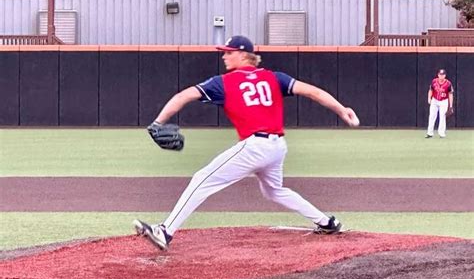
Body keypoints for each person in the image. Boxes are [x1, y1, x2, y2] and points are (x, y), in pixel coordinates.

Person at [133, 35, 360, 251]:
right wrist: (342, 109)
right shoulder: (275, 77)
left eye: (228, 53)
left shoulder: (223, 82)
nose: (224, 56)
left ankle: (165, 231)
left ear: (243, 55)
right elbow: (312, 92)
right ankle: (326, 222)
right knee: (274, 191)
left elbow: (183, 96)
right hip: (277, 146)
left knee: (202, 179)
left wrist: (157, 122)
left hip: (255, 147)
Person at [426, 69, 454, 138]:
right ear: (438, 75)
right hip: (434, 100)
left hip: (444, 101)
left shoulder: (448, 83)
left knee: (442, 116)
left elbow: (450, 94)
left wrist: (450, 106)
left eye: (443, 75)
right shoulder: (434, 81)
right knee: (432, 116)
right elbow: (430, 90)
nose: (441, 76)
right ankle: (430, 133)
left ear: (445, 75)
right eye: (440, 74)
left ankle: (441, 133)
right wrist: (429, 98)